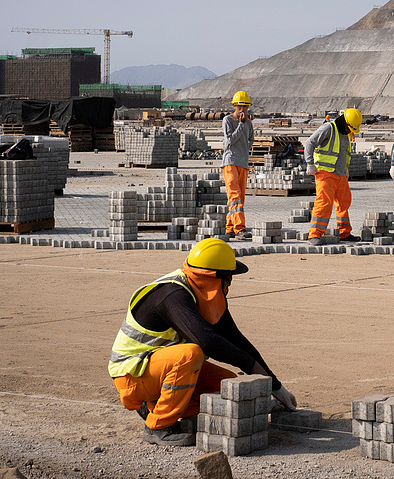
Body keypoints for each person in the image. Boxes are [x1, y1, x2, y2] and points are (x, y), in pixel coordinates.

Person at [107, 239, 297, 447]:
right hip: (133, 376)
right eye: (228, 280)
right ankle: (158, 426)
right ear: (213, 278)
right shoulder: (173, 295)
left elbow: (237, 341)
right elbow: (209, 342)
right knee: (190, 354)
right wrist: (263, 378)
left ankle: (161, 408)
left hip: (157, 371)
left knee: (226, 384)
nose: (229, 286)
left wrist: (275, 386)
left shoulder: (201, 294)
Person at [304, 109, 362, 245]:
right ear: (344, 123)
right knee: (324, 203)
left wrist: (345, 170)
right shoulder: (328, 128)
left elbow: (344, 153)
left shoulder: (346, 132)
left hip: (340, 175)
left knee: (344, 203)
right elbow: (309, 143)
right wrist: (309, 164)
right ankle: (314, 234)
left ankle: (344, 233)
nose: (350, 132)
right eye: (350, 128)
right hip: (325, 173)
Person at [222, 91, 254, 240]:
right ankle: (240, 229)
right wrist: (241, 125)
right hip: (230, 162)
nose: (243, 110)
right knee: (235, 196)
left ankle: (230, 227)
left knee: (239, 198)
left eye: (245, 107)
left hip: (243, 163)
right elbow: (230, 141)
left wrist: (245, 151)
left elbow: (250, 140)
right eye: (240, 107)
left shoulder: (249, 123)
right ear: (234, 106)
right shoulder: (227, 120)